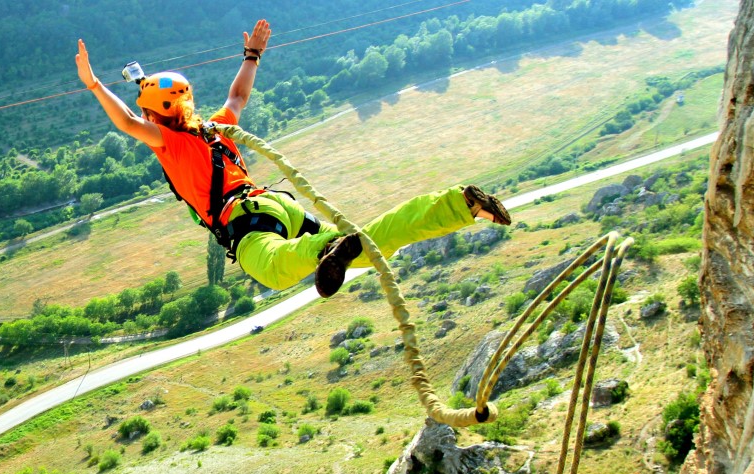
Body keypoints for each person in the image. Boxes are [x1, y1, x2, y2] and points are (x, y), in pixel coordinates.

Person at [74, 21, 511, 297]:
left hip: (245, 219)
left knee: (276, 270)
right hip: (275, 204)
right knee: (369, 245)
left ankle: (327, 248)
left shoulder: (169, 143)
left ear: (155, 116)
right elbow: (238, 95)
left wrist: (95, 85)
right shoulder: (216, 129)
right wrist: (252, 55)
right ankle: (460, 204)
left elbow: (129, 122)